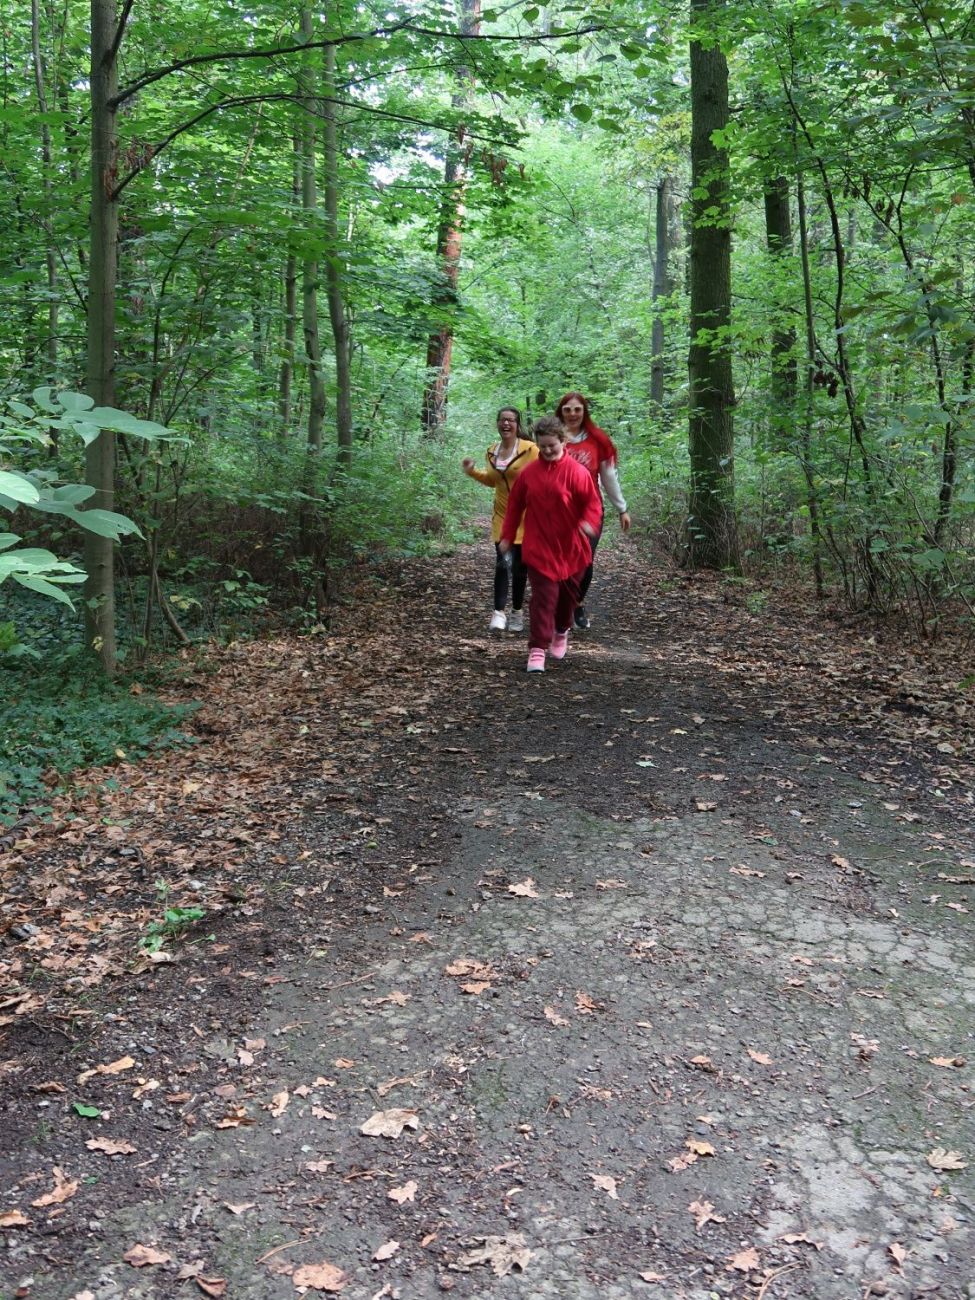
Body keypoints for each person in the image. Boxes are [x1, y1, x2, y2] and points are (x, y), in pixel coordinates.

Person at [499, 414, 602, 673]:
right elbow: (514, 507)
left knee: (567, 599)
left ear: (563, 442)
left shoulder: (577, 473)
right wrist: (508, 536)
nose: (547, 451)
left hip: (571, 548)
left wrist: (589, 522)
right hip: (540, 546)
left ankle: (561, 630)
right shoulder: (528, 474)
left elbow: (592, 504)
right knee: (544, 598)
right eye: (542, 446)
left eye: (552, 446)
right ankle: (537, 648)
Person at [554, 392, 631, 630]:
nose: (572, 414)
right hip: (557, 511)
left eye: (577, 409)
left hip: (590, 510)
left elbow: (609, 476)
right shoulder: (553, 437)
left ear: (584, 412)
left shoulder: (597, 440)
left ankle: (577, 603)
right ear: (561, 412)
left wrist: (622, 508)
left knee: (585, 560)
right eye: (567, 409)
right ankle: (560, 605)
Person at [462, 407, 538, 633]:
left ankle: (517, 611)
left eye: (511, 420)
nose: (506, 424)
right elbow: (493, 480)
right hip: (502, 518)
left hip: (526, 518)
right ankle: (498, 612)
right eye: (502, 420)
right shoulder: (491, 452)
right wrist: (472, 472)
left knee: (520, 568)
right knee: (503, 563)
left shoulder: (530, 450)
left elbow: (544, 473)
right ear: (497, 423)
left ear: (517, 425)